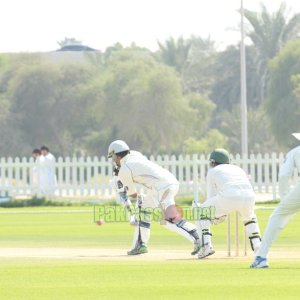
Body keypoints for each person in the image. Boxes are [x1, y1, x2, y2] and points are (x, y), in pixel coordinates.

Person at [107, 140, 201, 256]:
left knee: (168, 219)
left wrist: (120, 183)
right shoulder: (135, 154)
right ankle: (141, 244)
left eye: (112, 157)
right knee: (143, 208)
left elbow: (132, 194)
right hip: (167, 182)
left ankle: (198, 237)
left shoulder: (124, 170)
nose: (113, 160)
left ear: (116, 155)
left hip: (161, 187)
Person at [196, 148, 262, 259]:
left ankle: (206, 246)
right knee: (249, 218)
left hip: (229, 197)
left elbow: (211, 196)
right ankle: (258, 247)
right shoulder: (238, 169)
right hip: (249, 196)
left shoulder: (212, 171)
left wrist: (216, 216)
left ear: (212, 162)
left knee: (202, 211)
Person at [251, 133, 300, 268]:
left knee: (277, 215)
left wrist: (285, 198)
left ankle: (261, 257)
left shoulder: (295, 152)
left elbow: (284, 175)